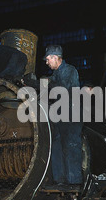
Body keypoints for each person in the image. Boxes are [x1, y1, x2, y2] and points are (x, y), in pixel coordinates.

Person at [31, 45, 83, 190]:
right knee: (56, 146)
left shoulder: (69, 70)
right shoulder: (54, 76)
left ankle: (74, 182)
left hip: (71, 115)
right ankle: (60, 180)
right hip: (59, 115)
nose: (47, 63)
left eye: (48, 59)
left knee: (71, 146)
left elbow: (61, 90)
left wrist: (42, 84)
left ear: (55, 57)